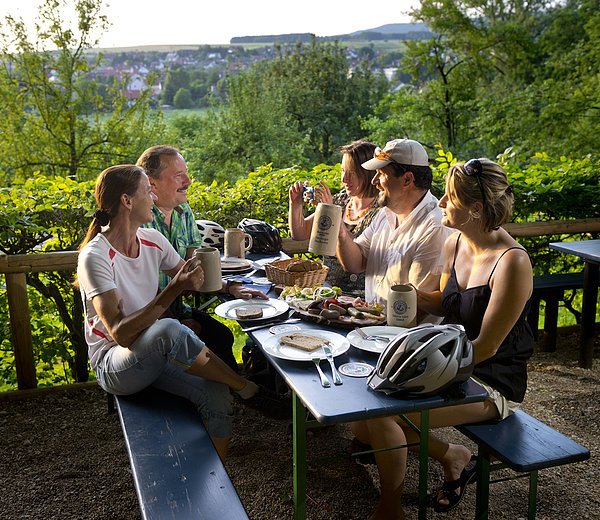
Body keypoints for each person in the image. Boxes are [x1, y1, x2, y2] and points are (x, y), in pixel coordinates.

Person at [351, 158, 535, 519]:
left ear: (476, 209)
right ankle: (453, 454)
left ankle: (390, 509)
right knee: (362, 419)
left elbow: (488, 346)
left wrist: (419, 374)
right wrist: (407, 295)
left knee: (388, 417)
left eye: (449, 199)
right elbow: (444, 300)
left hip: (491, 380)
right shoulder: (456, 243)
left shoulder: (513, 263)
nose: (439, 203)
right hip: (450, 363)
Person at [76, 165, 259, 461]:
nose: (153, 198)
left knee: (216, 394)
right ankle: (246, 387)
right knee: (170, 329)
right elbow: (121, 334)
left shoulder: (153, 240)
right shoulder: (95, 257)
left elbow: (192, 279)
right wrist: (174, 289)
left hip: (153, 351)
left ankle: (217, 476)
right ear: (127, 201)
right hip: (114, 363)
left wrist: (228, 287)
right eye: (147, 192)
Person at [136, 145, 268, 372]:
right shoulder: (139, 221)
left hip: (177, 309)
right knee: (212, 340)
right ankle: (232, 395)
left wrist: (231, 288)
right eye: (179, 176)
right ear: (152, 183)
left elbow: (193, 266)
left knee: (223, 336)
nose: (188, 181)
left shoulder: (183, 210)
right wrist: (175, 325)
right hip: (148, 322)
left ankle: (236, 396)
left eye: (186, 173)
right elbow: (140, 289)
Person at [336, 138, 451, 314]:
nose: (374, 181)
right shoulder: (385, 213)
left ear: (407, 179)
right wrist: (341, 233)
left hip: (404, 337)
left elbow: (416, 309)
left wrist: (368, 316)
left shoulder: (434, 229)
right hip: (375, 327)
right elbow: (356, 263)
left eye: (381, 174)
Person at [288, 140, 380, 297]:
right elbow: (300, 233)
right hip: (327, 291)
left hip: (363, 297)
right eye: (343, 171)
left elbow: (360, 253)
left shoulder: (381, 211)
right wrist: (295, 204)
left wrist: (331, 213)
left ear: (368, 173)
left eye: (352, 173)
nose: (344, 179)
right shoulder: (340, 201)